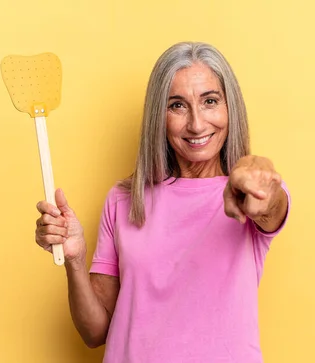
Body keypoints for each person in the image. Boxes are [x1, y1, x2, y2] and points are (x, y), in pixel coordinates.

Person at [34, 41, 291, 363]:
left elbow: (269, 205)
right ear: (159, 114)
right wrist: (74, 258)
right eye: (177, 106)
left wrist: (258, 179)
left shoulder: (250, 192)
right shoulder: (125, 199)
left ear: (230, 108)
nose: (197, 124)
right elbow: (94, 333)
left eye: (210, 101)